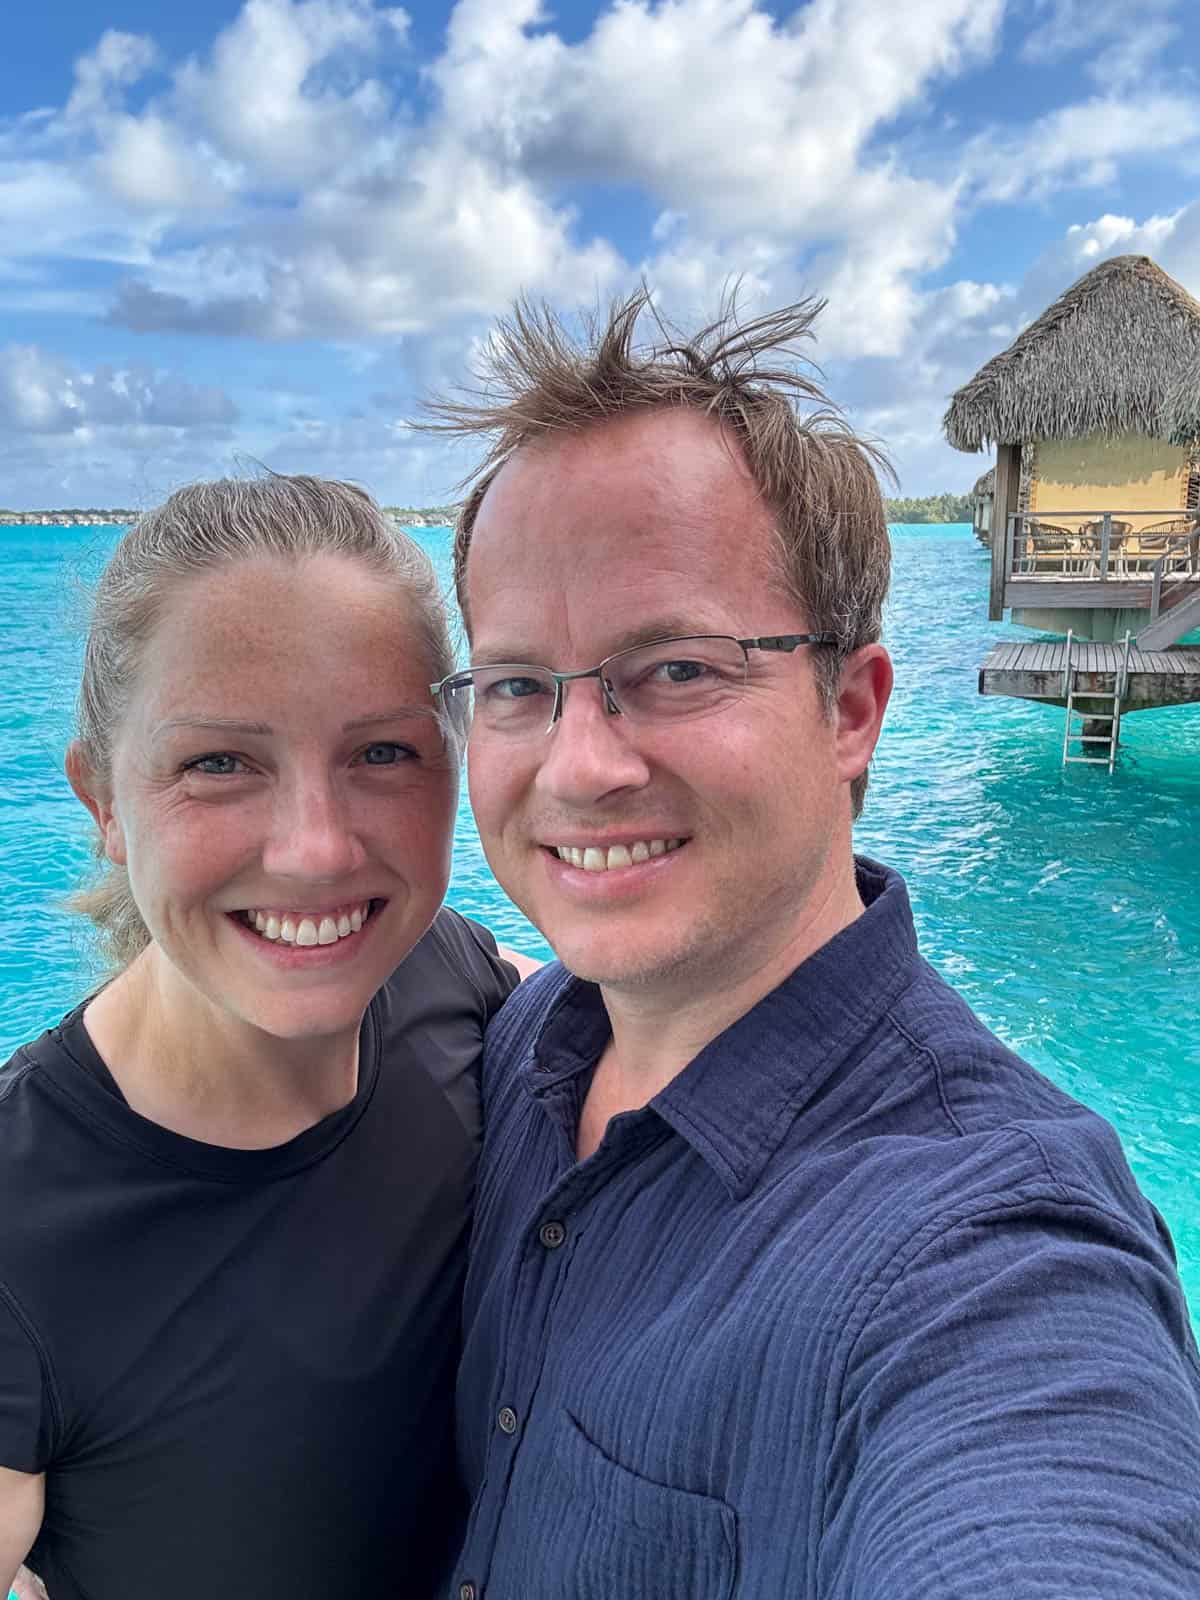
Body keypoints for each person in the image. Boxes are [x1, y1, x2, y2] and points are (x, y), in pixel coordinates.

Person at [427, 293, 1200, 1596]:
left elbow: (1043, 1491)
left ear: (849, 709)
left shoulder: (983, 1252)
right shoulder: (514, 1042)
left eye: (674, 668)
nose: (579, 765)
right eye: (515, 685)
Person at [0, 476, 523, 1599]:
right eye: (219, 763)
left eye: (383, 753)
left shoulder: (454, 978)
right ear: (101, 796)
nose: (317, 852)